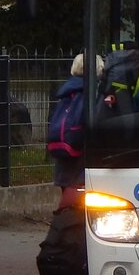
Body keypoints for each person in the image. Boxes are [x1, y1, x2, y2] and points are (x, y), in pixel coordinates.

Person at [50, 53, 100, 211]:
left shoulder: (66, 90)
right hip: (81, 152)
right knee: (78, 205)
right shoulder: (92, 92)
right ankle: (69, 230)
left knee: (68, 199)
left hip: (64, 151)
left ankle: (64, 227)